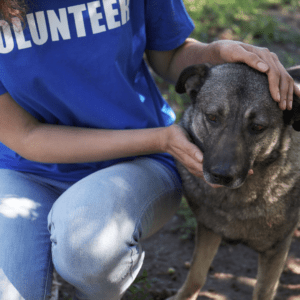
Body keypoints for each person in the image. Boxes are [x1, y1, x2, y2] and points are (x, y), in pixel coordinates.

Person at [0, 1, 299, 300]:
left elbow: (169, 56)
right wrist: (161, 139)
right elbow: (25, 135)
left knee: (85, 252)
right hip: (25, 169)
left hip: (133, 160)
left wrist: (218, 53)